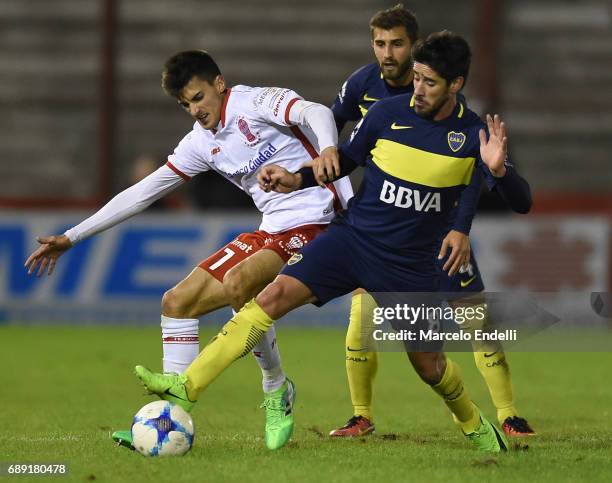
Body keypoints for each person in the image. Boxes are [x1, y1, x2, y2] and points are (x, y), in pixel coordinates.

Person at [134, 31, 532, 453]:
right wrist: (295, 178)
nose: (417, 90)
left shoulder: (473, 135)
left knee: (430, 366)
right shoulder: (384, 114)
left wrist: (500, 171)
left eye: (429, 83)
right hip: (352, 239)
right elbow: (342, 160)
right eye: (415, 78)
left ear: (455, 85)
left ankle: (472, 421)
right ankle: (188, 386)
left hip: (410, 265)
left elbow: (521, 202)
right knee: (272, 297)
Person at [23, 50, 354, 451]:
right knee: (176, 302)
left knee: (239, 282)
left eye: (198, 97)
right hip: (273, 228)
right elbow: (144, 191)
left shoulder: (255, 102)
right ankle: (166, 421)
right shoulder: (200, 144)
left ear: (219, 84)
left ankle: (274, 387)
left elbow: (315, 112)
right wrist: (72, 236)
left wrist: (328, 150)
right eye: (185, 104)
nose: (194, 109)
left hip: (323, 217)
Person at [329, 3, 535, 438]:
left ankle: (509, 414)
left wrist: (494, 177)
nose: (388, 53)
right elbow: (332, 139)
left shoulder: (463, 123)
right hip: (383, 234)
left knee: (475, 321)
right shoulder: (363, 88)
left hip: (441, 238)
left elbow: (510, 193)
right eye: (380, 43)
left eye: (397, 44)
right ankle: (361, 415)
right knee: (361, 317)